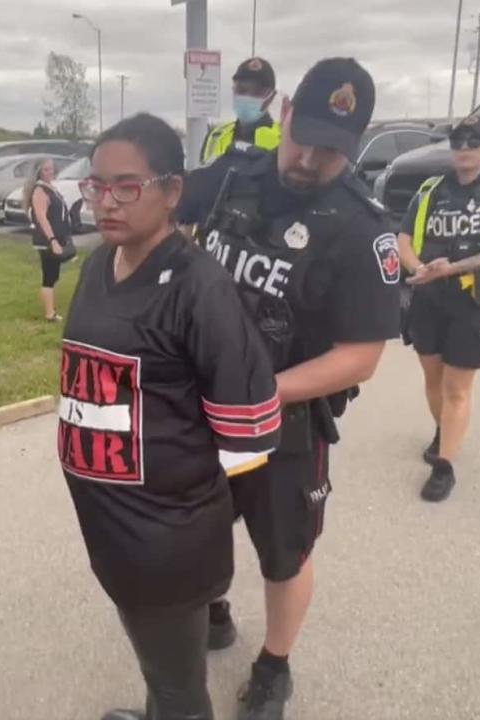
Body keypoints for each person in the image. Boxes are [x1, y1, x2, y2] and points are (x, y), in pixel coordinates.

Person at [188, 58, 401, 719]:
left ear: (357, 144)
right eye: (303, 135)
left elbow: (361, 356)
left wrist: (261, 393)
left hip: (282, 422)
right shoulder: (235, 176)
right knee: (192, 531)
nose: (309, 157)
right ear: (283, 115)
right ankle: (213, 612)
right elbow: (167, 225)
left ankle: (275, 666)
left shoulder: (364, 229)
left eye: (332, 148)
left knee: (284, 553)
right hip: (196, 407)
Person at [59, 113, 282, 720]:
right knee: (161, 670)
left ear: (172, 191)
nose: (107, 202)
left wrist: (188, 506)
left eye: (127, 187)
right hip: (108, 521)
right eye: (96, 185)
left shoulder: (199, 287)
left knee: (181, 689)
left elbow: (247, 431)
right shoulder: (97, 267)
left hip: (162, 537)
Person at [398, 115, 480, 502]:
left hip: (474, 299)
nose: (465, 147)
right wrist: (417, 268)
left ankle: (444, 468)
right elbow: (403, 238)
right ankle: (444, 432)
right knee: (432, 376)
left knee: (457, 386)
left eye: (475, 140)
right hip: (428, 296)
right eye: (458, 140)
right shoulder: (430, 190)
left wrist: (452, 269)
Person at [200, 56, 281, 165]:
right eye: (241, 90)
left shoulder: (283, 139)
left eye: (258, 92)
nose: (248, 96)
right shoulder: (216, 136)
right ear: (233, 91)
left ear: (271, 96)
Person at [24, 157, 72, 321]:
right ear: (38, 172)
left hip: (57, 237)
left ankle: (51, 308)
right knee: (49, 276)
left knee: (54, 275)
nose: (50, 172)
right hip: (46, 241)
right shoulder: (39, 191)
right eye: (46, 169)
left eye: (51, 169)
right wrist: (52, 240)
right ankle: (50, 314)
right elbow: (42, 218)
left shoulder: (50, 188)